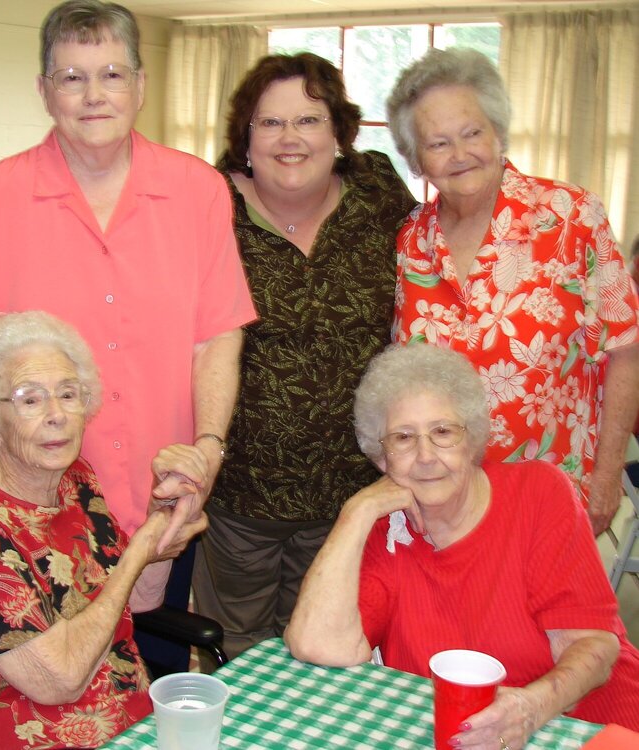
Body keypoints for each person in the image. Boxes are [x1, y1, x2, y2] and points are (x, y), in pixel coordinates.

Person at [0, 0, 256, 674]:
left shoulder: (199, 192)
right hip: (35, 508)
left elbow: (215, 338)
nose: (94, 95)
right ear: (43, 91)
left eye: (111, 75)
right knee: (47, 690)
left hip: (160, 499)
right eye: (71, 77)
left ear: (140, 85)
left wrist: (209, 447)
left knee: (148, 679)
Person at [285, 344, 639, 749]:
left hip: (584, 727)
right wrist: (355, 512)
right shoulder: (386, 534)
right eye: (402, 438)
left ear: (471, 440)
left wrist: (531, 707)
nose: (425, 456)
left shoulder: (538, 494)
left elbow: (593, 645)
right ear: (381, 459)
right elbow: (317, 644)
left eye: (443, 432)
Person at [191, 52, 416, 658]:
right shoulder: (208, 206)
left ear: (339, 132)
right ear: (246, 136)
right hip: (242, 496)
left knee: (327, 646)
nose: (290, 139)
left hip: (351, 490)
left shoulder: (378, 194)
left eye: (309, 120)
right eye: (270, 123)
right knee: (232, 650)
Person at [0, 311, 209, 750]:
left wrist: (162, 517)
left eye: (68, 394)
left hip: (131, 719)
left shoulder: (77, 481)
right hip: (29, 730)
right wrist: (137, 554)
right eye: (29, 399)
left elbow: (139, 599)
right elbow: (59, 682)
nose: (56, 414)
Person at [386, 47, 639, 536]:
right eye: (437, 143)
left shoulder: (571, 215)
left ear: (498, 131)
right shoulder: (412, 239)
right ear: (417, 160)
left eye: (472, 132)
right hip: (443, 498)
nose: (459, 154)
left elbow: (626, 350)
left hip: (550, 494)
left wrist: (607, 478)